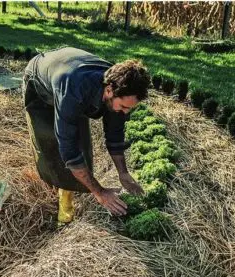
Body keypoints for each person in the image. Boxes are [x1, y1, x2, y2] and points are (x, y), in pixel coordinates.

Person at [22, 47, 151, 224]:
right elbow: (68, 149)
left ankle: (68, 187)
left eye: (129, 108)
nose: (125, 112)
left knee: (82, 144)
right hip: (40, 84)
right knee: (50, 143)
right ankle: (57, 190)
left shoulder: (119, 85)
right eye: (123, 106)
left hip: (70, 75)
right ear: (109, 91)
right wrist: (100, 192)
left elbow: (115, 134)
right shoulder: (73, 89)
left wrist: (123, 173)